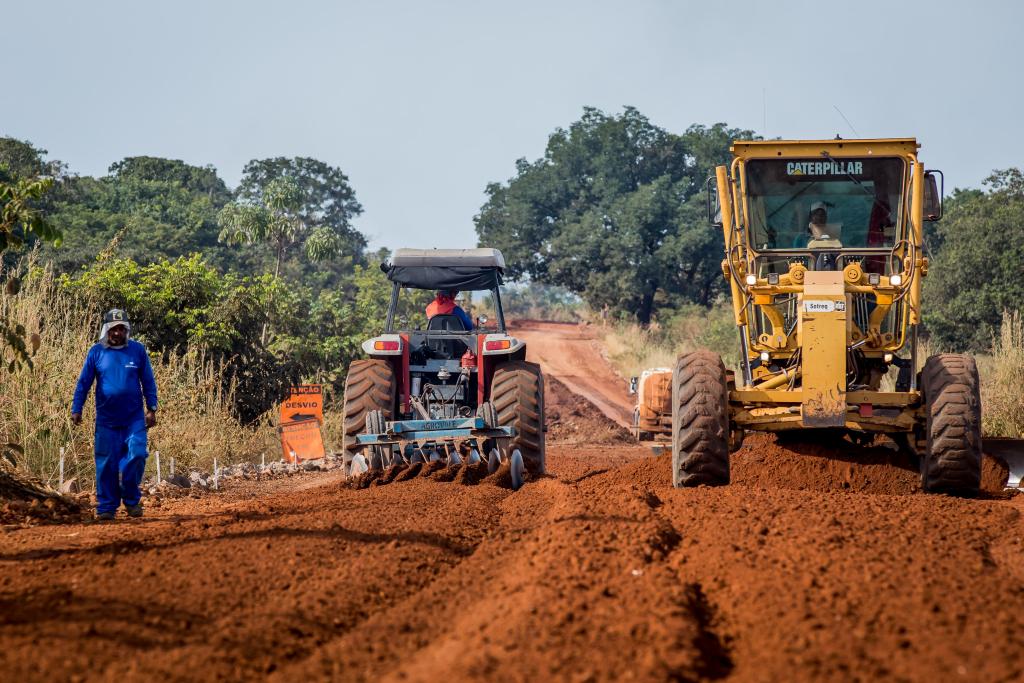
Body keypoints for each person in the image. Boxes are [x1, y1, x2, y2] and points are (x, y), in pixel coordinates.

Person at [71, 309, 158, 521]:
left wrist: (152, 408)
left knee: (137, 455)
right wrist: (77, 408)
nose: (118, 332)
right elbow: (84, 383)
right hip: (106, 420)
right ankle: (107, 507)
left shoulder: (137, 350)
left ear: (126, 330)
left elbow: (148, 380)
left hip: (133, 419)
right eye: (114, 328)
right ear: (106, 329)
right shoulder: (96, 352)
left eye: (122, 328)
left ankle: (130, 498)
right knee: (106, 464)